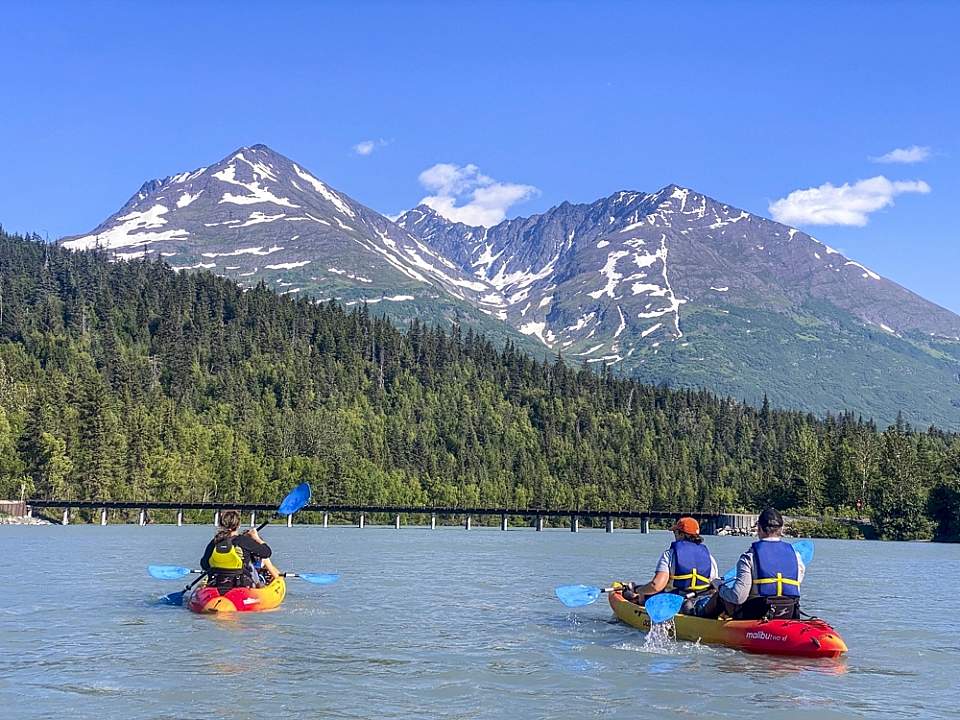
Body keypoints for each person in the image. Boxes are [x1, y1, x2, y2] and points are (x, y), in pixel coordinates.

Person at [699, 506, 805, 620]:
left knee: (720, 596)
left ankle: (698, 618)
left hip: (757, 615)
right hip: (788, 613)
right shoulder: (796, 556)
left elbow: (738, 597)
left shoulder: (749, 557)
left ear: (759, 528)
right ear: (781, 529)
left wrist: (719, 586)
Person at [622, 516, 719, 610]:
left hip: (672, 601)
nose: (674, 535)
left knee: (629, 593)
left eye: (675, 532)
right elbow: (714, 588)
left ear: (682, 534)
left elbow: (656, 586)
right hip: (699, 601)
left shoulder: (670, 555)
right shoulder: (710, 558)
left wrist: (639, 591)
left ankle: (634, 596)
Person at [200, 510, 281, 593]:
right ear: (238, 525)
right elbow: (267, 552)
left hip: (218, 582)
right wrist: (256, 538)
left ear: (222, 524)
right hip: (242, 584)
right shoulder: (244, 541)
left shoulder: (215, 542)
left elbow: (204, 564)